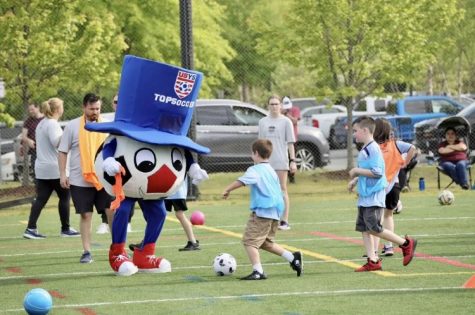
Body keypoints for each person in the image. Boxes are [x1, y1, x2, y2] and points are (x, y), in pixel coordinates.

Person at [222, 139, 302, 280]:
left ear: (256, 153)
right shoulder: (271, 170)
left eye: (252, 153)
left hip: (263, 212)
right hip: (276, 212)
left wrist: (227, 189)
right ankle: (292, 257)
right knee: (265, 243)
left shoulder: (255, 170)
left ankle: (258, 271)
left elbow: (242, 181)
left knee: (249, 241)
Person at [348, 116, 417, 272]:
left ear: (365, 131)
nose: (354, 135)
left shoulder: (373, 148)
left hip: (374, 197)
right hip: (365, 196)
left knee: (374, 228)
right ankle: (372, 260)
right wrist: (357, 181)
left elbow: (378, 172)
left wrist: (356, 171)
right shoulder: (367, 147)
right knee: (364, 228)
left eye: (355, 131)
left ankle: (405, 243)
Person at [58, 93, 113, 264]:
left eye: (97, 108)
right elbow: (62, 151)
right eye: (91, 109)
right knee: (86, 215)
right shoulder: (73, 126)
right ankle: (87, 251)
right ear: (84, 107)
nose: (95, 112)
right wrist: (62, 174)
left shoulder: (107, 125)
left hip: (104, 179)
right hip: (79, 180)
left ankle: (118, 248)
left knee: (112, 212)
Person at [23, 98, 79, 239]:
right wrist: (70, 134)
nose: (63, 109)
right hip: (55, 168)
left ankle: (30, 228)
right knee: (65, 197)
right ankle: (65, 229)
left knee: (41, 199)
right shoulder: (52, 124)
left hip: (42, 168)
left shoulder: (42, 123)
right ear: (57, 110)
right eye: (62, 107)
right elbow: (57, 143)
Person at [372, 118, 416, 256]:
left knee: (376, 218)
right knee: (388, 215)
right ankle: (389, 246)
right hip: (394, 185)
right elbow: (412, 148)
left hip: (378, 187)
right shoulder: (396, 144)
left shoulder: (373, 147)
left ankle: (373, 251)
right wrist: (405, 163)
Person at [96, 94, 134, 234]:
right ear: (112, 104)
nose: (118, 104)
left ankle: (127, 222)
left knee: (129, 193)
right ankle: (105, 222)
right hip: (110, 161)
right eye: (115, 102)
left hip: (128, 162)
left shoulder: (132, 118)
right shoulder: (107, 120)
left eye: (121, 101)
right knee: (107, 192)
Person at [259, 95, 297, 230]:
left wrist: (293, 161)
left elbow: (290, 143)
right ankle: (270, 220)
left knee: (282, 189)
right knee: (267, 191)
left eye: (276, 104)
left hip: (281, 161)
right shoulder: (262, 122)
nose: (274, 107)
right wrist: (258, 162)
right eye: (271, 104)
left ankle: (284, 221)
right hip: (266, 162)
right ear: (268, 106)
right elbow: (261, 143)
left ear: (280, 106)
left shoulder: (286, 122)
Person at [21, 103, 44, 179]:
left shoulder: (45, 119)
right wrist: (28, 140)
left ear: (38, 108)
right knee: (36, 171)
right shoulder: (28, 121)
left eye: (32, 109)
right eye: (29, 110)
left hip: (45, 149)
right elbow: (24, 136)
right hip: (35, 150)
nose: (30, 111)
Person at [282, 96, 301, 184]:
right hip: (282, 139)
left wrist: (287, 114)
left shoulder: (295, 110)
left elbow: (295, 121)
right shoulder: (279, 110)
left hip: (293, 138)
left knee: (291, 158)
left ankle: (292, 178)